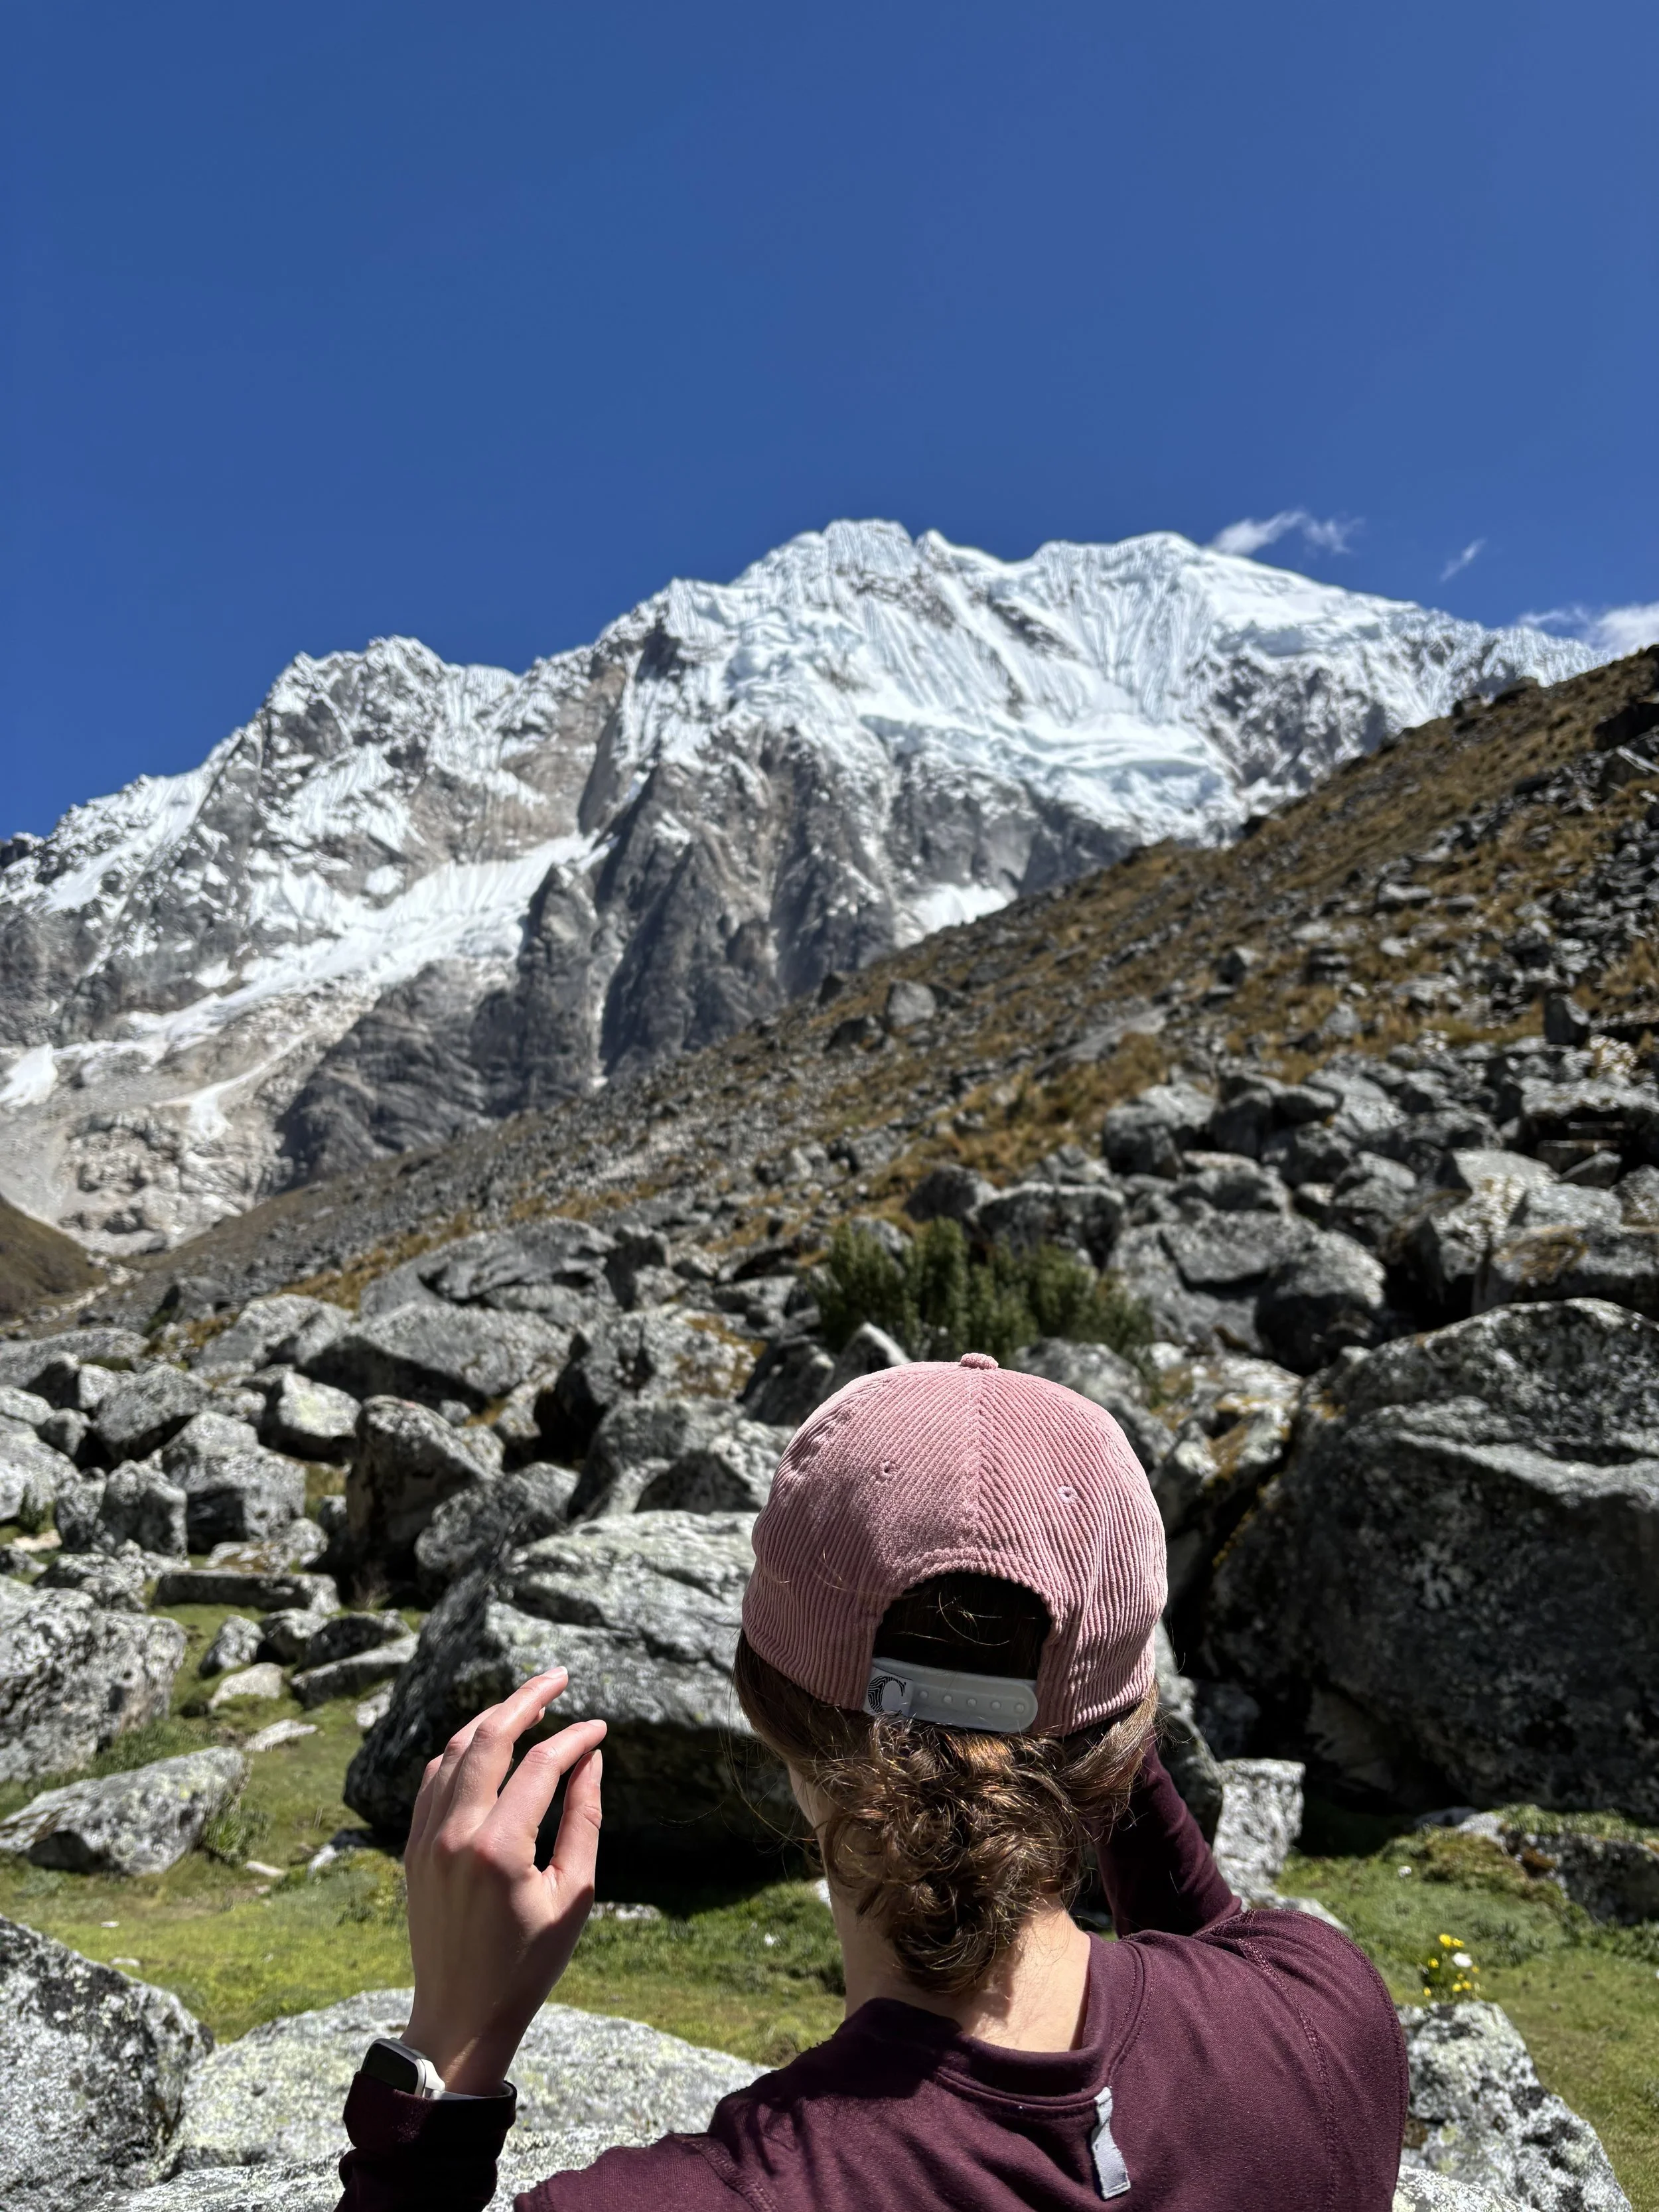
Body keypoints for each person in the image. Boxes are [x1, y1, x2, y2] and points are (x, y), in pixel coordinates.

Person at [336, 1353, 1407, 2211]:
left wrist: (446, 2055)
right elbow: (1213, 1944)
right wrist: (1086, 1697)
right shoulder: (1323, 2013)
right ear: (1129, 1731)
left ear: (763, 1707)